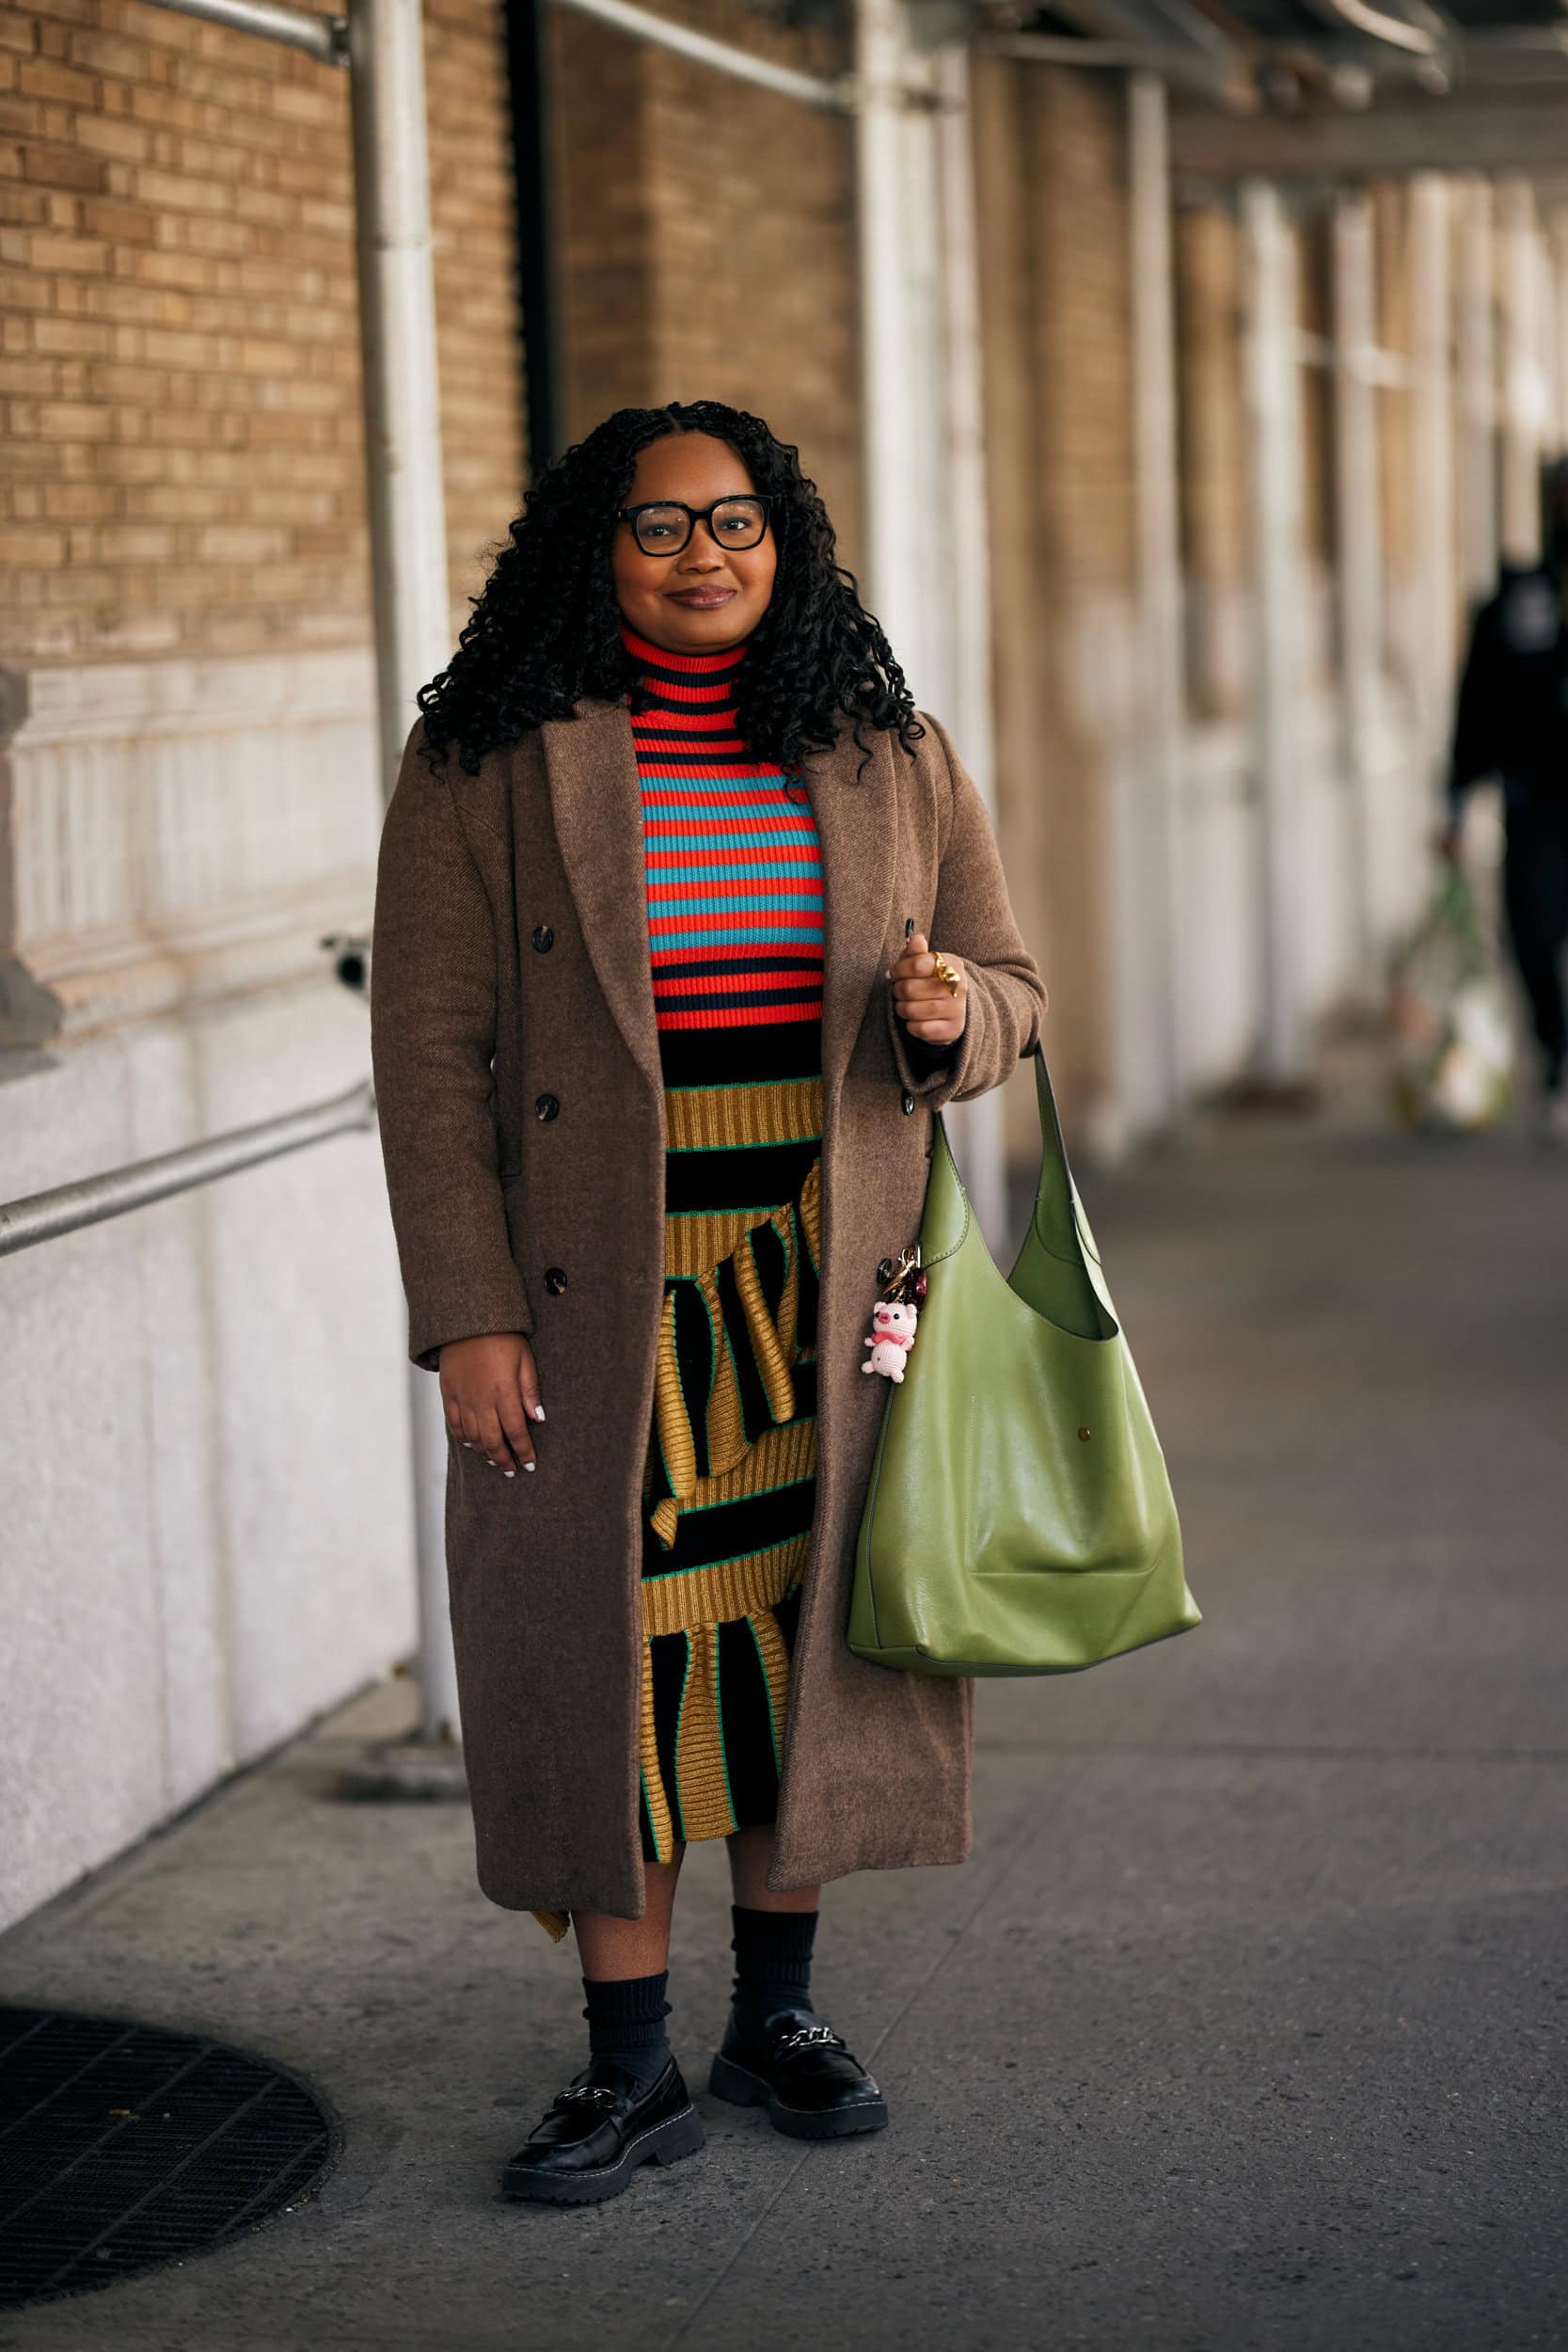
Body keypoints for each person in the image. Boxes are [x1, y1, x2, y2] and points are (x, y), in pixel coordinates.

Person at [369, 399, 1046, 2205]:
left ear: (787, 537)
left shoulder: (882, 742)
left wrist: (945, 1021)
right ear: (595, 548)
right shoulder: (487, 757)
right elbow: (428, 1056)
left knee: (797, 1637)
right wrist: (469, 1311)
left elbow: (1011, 982)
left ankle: (778, 2015)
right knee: (617, 1655)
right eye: (659, 527)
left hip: (833, 1274)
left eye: (735, 523)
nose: (702, 559)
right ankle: (622, 2062)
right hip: (604, 1283)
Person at [1443, 456, 1568, 1141]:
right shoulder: (1517, 603)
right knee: (1534, 934)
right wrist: (1455, 801)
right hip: (1535, 808)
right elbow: (1475, 704)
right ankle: (1555, 1055)